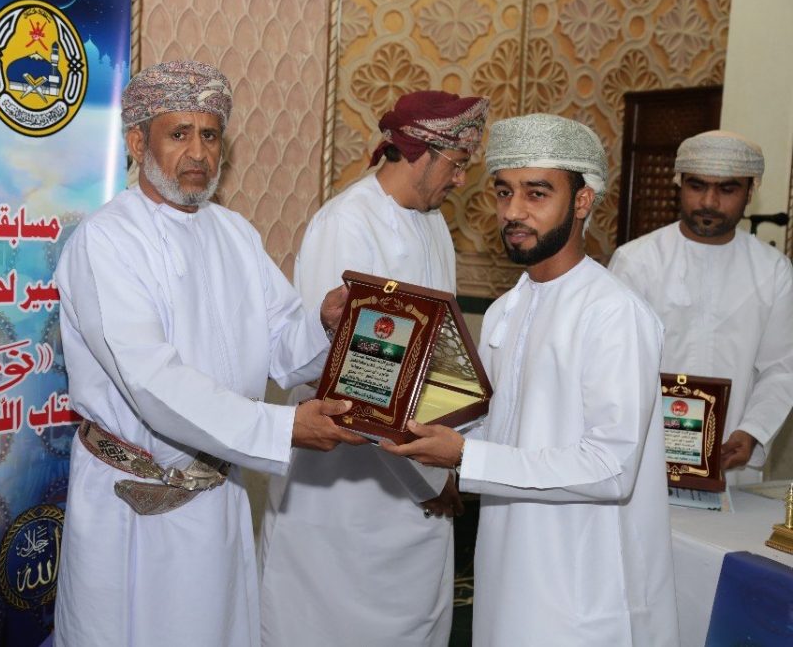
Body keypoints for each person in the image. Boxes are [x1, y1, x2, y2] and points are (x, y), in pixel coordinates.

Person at [52, 60, 366, 647]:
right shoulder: (106, 241)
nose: (198, 152)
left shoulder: (235, 233)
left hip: (218, 493)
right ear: (137, 142)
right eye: (179, 134)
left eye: (211, 134)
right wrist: (281, 428)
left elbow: (282, 346)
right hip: (131, 506)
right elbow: (152, 383)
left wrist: (325, 326)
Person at [384, 113, 680, 646]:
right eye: (504, 192)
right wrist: (408, 418)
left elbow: (611, 468)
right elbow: (497, 429)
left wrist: (465, 456)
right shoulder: (506, 310)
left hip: (582, 590)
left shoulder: (614, 313)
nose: (513, 211)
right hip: (507, 571)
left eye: (536, 193)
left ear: (583, 201)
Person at [257, 91, 489, 647]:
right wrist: (430, 477)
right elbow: (353, 381)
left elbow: (435, 357)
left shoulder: (433, 224)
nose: (461, 180)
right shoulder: (347, 223)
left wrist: (448, 460)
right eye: (457, 164)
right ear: (419, 151)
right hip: (344, 486)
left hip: (416, 466)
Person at [609, 131, 793, 484]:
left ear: (750, 191)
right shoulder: (636, 261)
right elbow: (614, 365)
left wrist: (753, 431)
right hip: (645, 456)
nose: (709, 201)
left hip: (731, 458)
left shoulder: (773, 271)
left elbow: (781, 369)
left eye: (727, 189)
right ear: (679, 183)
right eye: (697, 186)